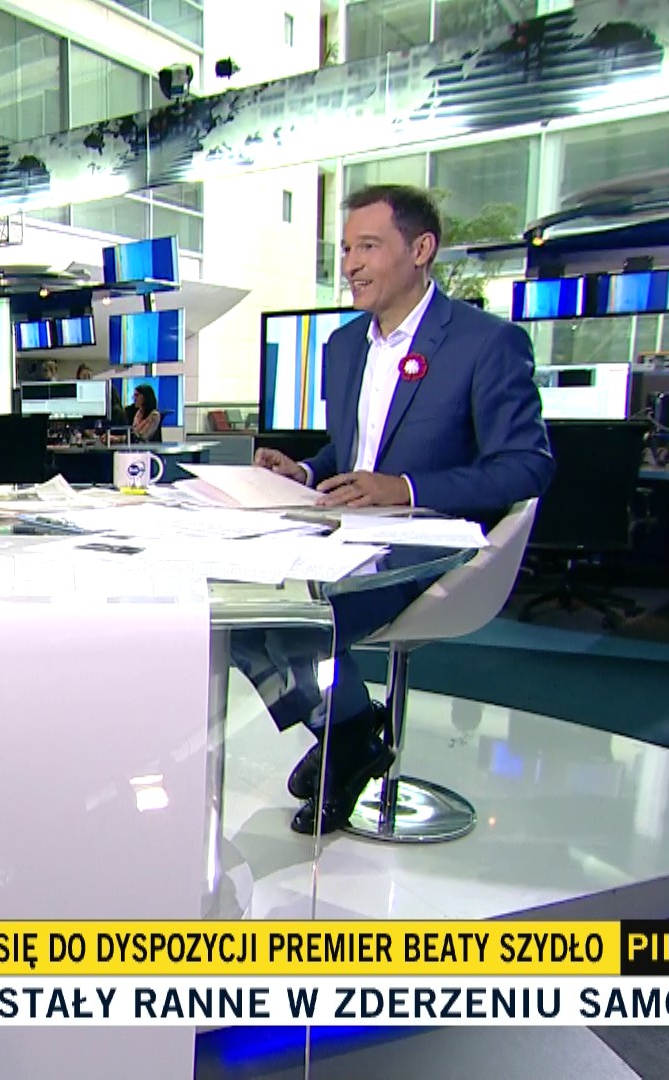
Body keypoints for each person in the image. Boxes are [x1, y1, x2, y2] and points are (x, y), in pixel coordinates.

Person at [237, 184, 553, 835]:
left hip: (430, 543)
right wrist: (306, 471)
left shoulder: (486, 343)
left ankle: (346, 738)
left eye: (368, 247)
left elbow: (527, 466)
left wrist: (403, 488)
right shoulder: (344, 346)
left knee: (298, 622)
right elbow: (354, 450)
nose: (351, 264)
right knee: (238, 612)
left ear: (421, 249)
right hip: (345, 532)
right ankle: (349, 729)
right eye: (346, 249)